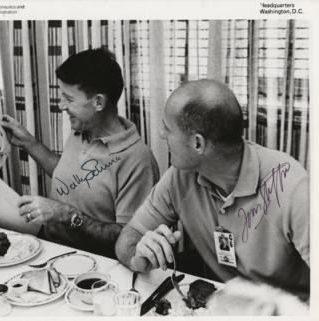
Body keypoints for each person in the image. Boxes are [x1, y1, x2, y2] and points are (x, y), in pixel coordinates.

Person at [115, 79, 309, 300]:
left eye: (167, 128)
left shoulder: (294, 187)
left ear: (198, 144)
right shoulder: (179, 177)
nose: (160, 135)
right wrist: (139, 257)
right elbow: (127, 239)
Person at [1, 48, 159, 257]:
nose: (61, 106)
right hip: (51, 249)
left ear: (99, 102)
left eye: (69, 99)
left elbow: (130, 238)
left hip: (95, 266)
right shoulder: (82, 129)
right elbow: (71, 177)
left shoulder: (138, 160)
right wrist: (29, 143)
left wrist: (65, 215)